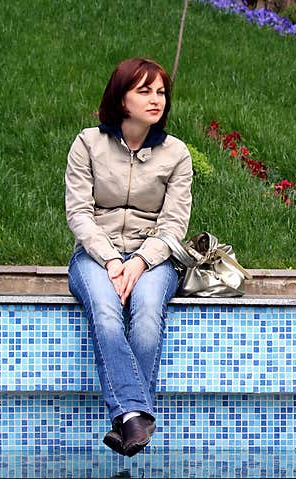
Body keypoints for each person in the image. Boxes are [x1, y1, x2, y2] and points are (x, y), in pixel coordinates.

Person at [64, 58, 192, 457]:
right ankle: (136, 415)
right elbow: (79, 215)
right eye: (145, 91)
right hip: (93, 255)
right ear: (122, 99)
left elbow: (174, 226)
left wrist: (138, 262)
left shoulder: (176, 154)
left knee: (149, 308)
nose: (157, 99)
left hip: (153, 257)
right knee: (105, 310)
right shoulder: (88, 144)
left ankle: (127, 420)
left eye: (161, 92)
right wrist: (111, 260)